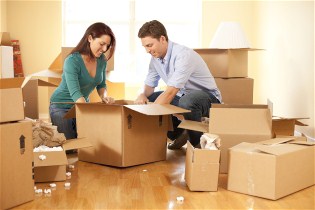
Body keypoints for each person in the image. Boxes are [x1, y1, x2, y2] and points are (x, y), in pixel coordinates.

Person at [135, 20, 222, 150]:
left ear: (162, 39)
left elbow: (170, 93)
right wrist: (141, 95)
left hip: (208, 98)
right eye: (145, 47)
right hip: (182, 96)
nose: (147, 50)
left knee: (186, 101)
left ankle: (197, 144)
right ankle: (179, 134)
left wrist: (148, 117)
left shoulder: (183, 55)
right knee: (152, 97)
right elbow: (148, 87)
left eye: (150, 45)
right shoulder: (155, 59)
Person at [49, 22, 116, 140]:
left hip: (82, 105)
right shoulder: (72, 61)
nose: (104, 49)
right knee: (71, 146)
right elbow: (75, 92)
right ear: (90, 38)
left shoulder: (102, 61)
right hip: (61, 106)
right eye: (101, 44)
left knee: (89, 143)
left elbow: (101, 84)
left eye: (107, 45)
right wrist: (87, 114)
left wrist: (104, 96)